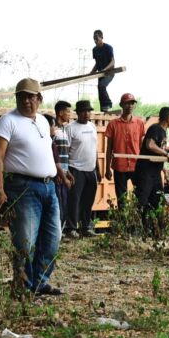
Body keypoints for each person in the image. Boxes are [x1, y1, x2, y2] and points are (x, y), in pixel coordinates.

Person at [0, 78, 63, 296]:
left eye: (31, 96)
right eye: (22, 96)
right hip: (22, 187)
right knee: (25, 241)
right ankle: (22, 286)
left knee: (52, 239)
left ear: (39, 99)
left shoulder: (42, 120)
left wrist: (58, 170)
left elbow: (46, 150)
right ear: (16, 98)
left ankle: (39, 283)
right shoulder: (7, 121)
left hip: (49, 187)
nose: (26, 101)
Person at [65, 100, 99, 238]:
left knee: (88, 200)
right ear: (77, 113)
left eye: (89, 111)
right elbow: (65, 151)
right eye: (84, 111)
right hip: (76, 169)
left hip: (91, 170)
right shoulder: (70, 128)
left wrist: (98, 168)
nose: (87, 114)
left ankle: (86, 227)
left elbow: (94, 149)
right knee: (74, 200)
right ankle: (71, 228)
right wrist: (66, 171)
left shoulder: (92, 126)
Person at [104, 93, 145, 206]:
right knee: (121, 199)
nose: (130, 105)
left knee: (140, 196)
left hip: (136, 166)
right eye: (127, 103)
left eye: (132, 103)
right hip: (119, 166)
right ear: (121, 105)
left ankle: (137, 221)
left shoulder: (140, 123)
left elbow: (142, 146)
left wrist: (144, 166)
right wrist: (107, 169)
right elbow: (109, 149)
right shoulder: (113, 124)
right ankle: (123, 221)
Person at [134, 107, 169, 216]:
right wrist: (166, 154)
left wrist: (164, 170)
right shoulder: (155, 128)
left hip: (155, 173)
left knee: (157, 202)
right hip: (145, 173)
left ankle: (152, 229)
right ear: (168, 118)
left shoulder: (163, 132)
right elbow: (150, 145)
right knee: (141, 202)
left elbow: (155, 154)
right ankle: (135, 229)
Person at [53, 101, 75, 229]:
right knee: (58, 207)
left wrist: (68, 173)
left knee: (64, 206)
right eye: (67, 111)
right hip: (57, 176)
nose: (69, 115)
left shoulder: (64, 130)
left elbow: (63, 155)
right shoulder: (53, 130)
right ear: (60, 113)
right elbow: (53, 156)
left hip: (63, 175)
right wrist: (61, 174)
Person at [90, 29, 115, 112]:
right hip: (100, 74)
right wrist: (91, 73)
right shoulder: (94, 50)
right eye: (94, 39)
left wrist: (105, 69)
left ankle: (108, 104)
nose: (95, 41)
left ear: (102, 37)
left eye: (97, 38)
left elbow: (113, 61)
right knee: (100, 89)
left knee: (102, 86)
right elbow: (97, 64)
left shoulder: (108, 48)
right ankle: (103, 110)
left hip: (109, 72)